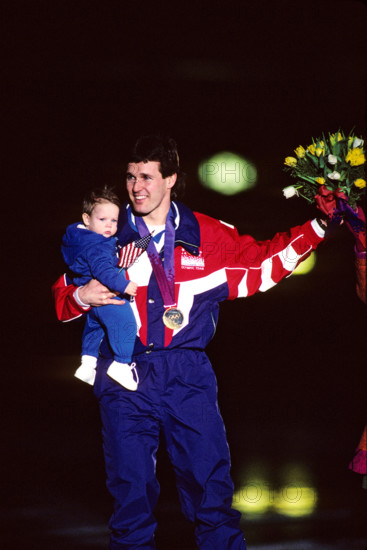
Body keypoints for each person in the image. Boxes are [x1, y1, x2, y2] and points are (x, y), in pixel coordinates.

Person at [52, 135, 329, 550]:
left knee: (211, 495)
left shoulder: (209, 234)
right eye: (130, 176)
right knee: (130, 501)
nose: (136, 186)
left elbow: (263, 263)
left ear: (171, 179)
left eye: (147, 176)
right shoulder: (106, 230)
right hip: (123, 373)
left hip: (187, 374)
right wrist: (79, 296)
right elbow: (61, 295)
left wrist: (320, 227)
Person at [61, 186, 139, 390]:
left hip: (89, 296)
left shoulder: (78, 238)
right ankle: (121, 364)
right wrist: (124, 285)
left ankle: (87, 365)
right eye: (102, 220)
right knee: (125, 321)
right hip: (105, 295)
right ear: (87, 219)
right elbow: (104, 270)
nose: (109, 226)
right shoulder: (99, 245)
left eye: (114, 221)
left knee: (94, 329)